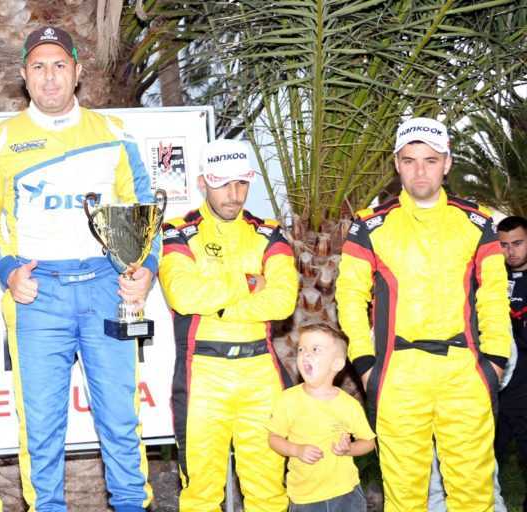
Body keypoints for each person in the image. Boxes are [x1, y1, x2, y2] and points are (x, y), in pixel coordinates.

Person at [0, 25, 156, 512]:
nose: (50, 77)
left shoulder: (114, 133)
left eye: (59, 65)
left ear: (77, 72)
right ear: (24, 76)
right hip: (39, 295)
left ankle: (131, 505)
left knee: (120, 418)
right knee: (41, 426)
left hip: (107, 287)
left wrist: (147, 266)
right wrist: (8, 270)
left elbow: (145, 209)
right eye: (38, 67)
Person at [336, 117, 511, 510]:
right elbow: (349, 296)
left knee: (474, 494)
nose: (420, 171)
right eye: (410, 160)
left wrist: (495, 362)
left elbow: (494, 296)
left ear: (447, 163)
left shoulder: (478, 222)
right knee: (405, 496)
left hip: (465, 372)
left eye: (430, 160)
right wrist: (365, 365)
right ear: (396, 164)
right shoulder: (369, 226)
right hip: (398, 374)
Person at [158, 138, 298, 511]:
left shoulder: (270, 233)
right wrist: (250, 283)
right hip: (202, 375)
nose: (234, 195)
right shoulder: (176, 231)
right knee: (200, 495)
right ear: (202, 182)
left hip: (261, 373)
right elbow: (183, 295)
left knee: (269, 493)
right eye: (223, 184)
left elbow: (283, 302)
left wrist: (218, 308)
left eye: (241, 183)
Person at [267, 323, 376, 511]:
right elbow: (273, 438)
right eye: (301, 349)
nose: (306, 354)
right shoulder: (288, 400)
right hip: (305, 498)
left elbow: (368, 442)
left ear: (337, 364)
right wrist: (296, 450)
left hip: (346, 493)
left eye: (315, 349)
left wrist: (349, 449)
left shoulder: (348, 404)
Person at [496, 215, 527, 508]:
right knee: (487, 450)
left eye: (517, 243)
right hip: (496, 380)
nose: (510, 251)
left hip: (525, 383)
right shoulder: (492, 278)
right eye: (504, 245)